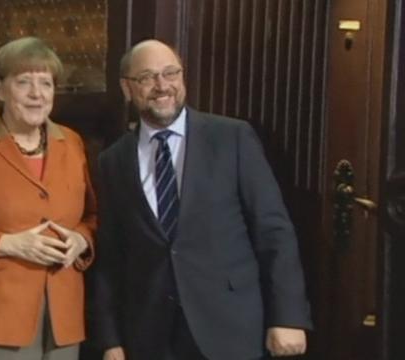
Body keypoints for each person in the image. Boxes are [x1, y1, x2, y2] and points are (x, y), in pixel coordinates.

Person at [89, 39, 313, 360]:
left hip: (230, 328)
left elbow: (273, 230)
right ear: (127, 88)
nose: (162, 86)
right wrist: (110, 340)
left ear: (183, 78)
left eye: (171, 73)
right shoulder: (113, 161)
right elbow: (111, 257)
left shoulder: (232, 138)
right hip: (150, 335)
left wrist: (288, 316)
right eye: (147, 77)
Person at [0, 36, 96, 360]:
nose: (37, 94)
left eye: (46, 84)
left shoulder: (72, 142)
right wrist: (7, 244)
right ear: (0, 90)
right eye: (24, 82)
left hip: (63, 322)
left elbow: (92, 218)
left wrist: (81, 241)